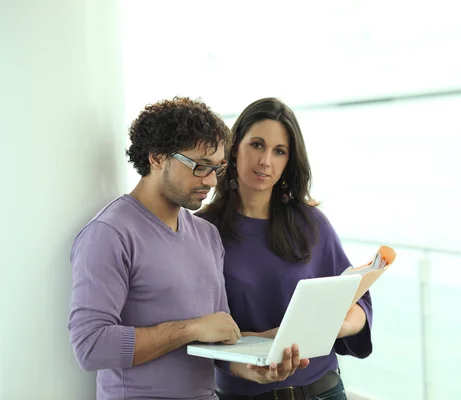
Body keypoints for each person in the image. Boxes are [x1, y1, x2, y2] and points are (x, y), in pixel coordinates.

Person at [68, 97, 305, 400]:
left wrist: (256, 365)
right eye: (199, 166)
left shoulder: (207, 235)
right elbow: (90, 346)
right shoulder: (109, 233)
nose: (210, 180)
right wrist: (190, 329)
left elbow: (216, 340)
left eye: (217, 168)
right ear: (156, 158)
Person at [196, 97, 373, 400]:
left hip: (323, 391)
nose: (266, 160)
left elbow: (359, 305)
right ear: (234, 146)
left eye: (279, 151)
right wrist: (255, 352)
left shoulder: (311, 223)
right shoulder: (200, 231)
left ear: (289, 161)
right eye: (257, 145)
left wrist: (332, 327)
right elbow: (195, 330)